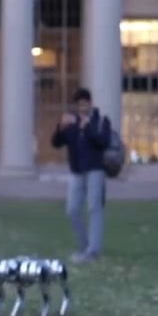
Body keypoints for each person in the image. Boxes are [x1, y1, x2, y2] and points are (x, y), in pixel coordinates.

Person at [52, 87, 112, 263]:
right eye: (79, 105)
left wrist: (88, 128)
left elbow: (104, 142)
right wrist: (60, 127)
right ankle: (84, 245)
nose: (82, 108)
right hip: (76, 171)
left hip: (95, 170)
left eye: (85, 104)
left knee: (94, 208)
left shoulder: (101, 121)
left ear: (90, 103)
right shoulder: (72, 124)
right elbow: (56, 142)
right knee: (72, 209)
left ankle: (93, 250)